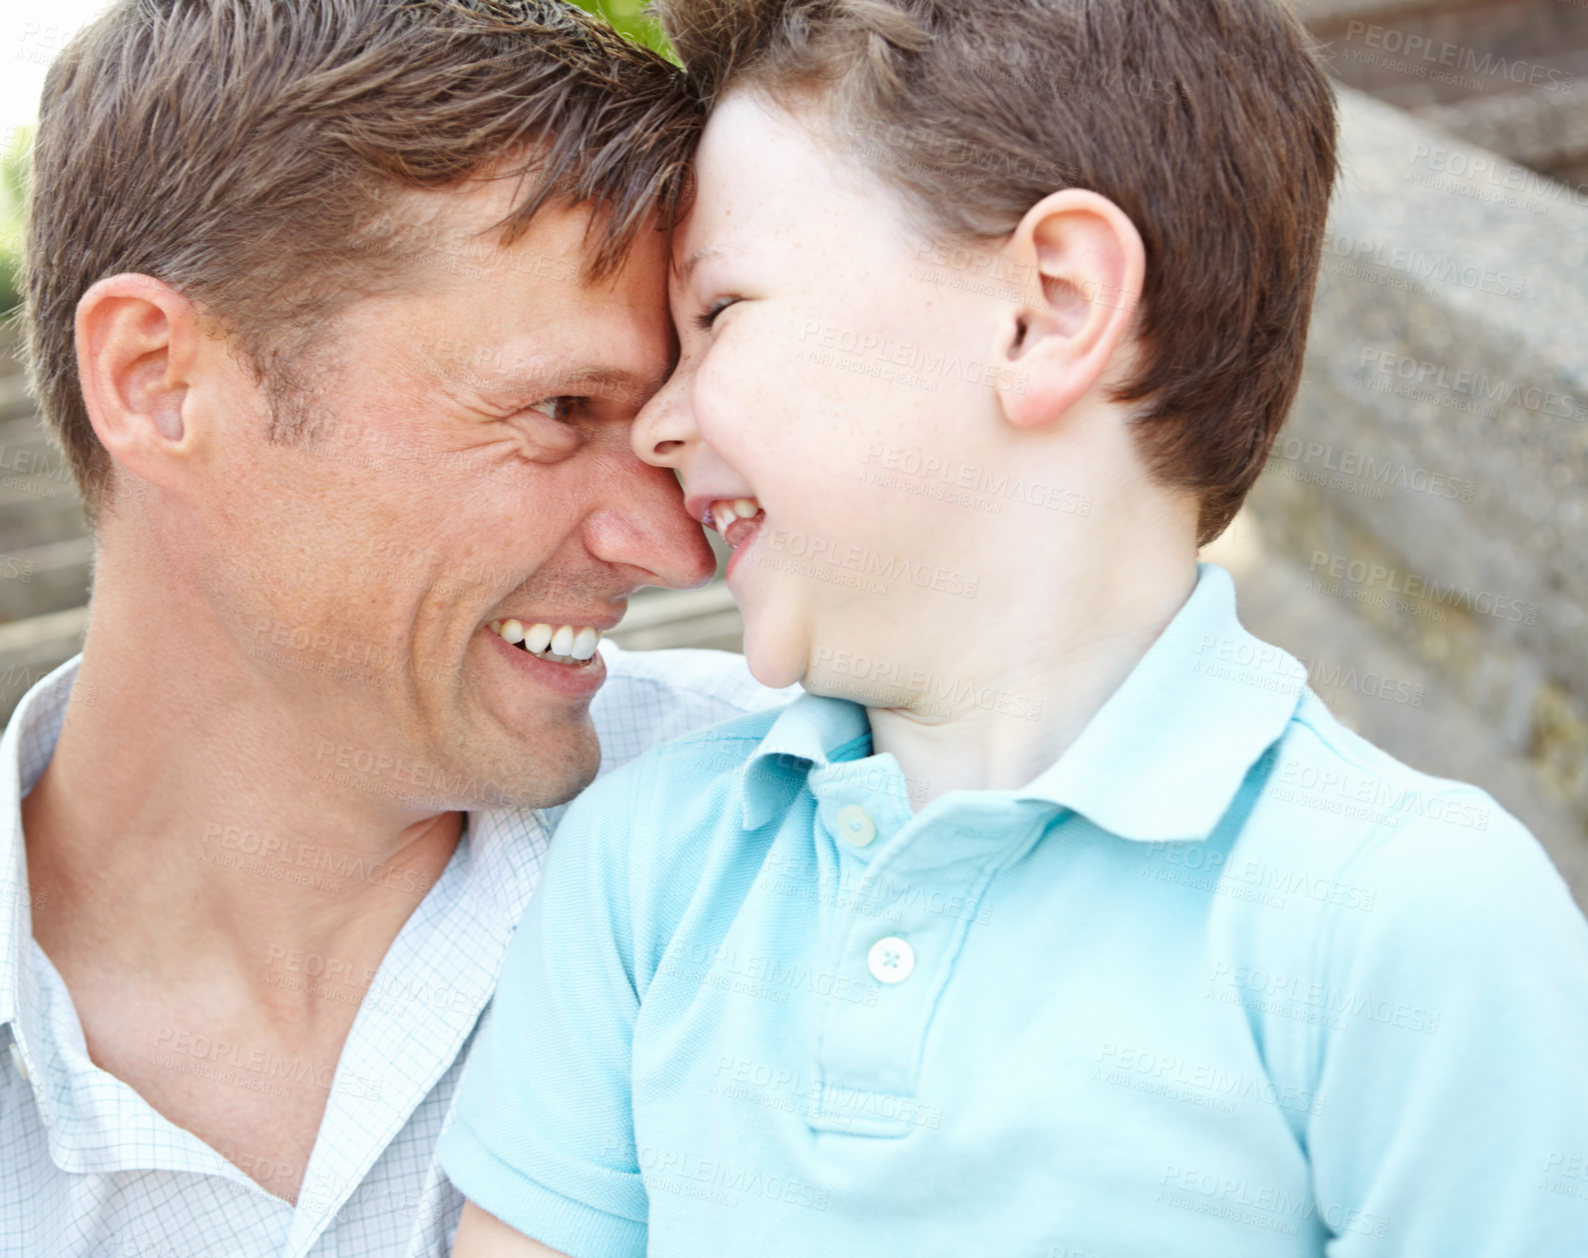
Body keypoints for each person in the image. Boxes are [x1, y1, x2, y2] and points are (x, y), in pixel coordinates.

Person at [439, 1, 1588, 1255]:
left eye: (718, 314)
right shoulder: (646, 864)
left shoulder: (1412, 924)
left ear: (1047, 305)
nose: (659, 425)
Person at [1, 2, 793, 1254]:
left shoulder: (812, 834)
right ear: (158, 382)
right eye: (559, 407)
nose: (670, 544)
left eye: (660, 433)